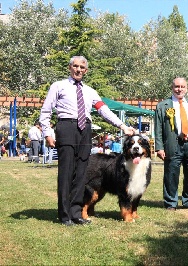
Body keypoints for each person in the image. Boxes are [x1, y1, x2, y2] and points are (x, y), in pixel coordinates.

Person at [39, 55, 135, 226]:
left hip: (85, 131)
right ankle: (64, 215)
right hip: (66, 127)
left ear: (86, 70)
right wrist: (47, 133)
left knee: (82, 175)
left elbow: (104, 111)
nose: (78, 70)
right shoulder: (58, 86)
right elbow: (46, 111)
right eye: (75, 66)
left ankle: (77, 213)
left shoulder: (90, 91)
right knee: (66, 173)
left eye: (82, 67)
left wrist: (123, 126)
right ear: (70, 68)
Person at [154, 77, 188, 211]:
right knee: (171, 174)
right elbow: (158, 129)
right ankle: (170, 202)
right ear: (172, 87)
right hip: (173, 145)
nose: (179, 89)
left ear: (186, 88)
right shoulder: (163, 105)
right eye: (176, 86)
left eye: (182, 87)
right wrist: (159, 147)